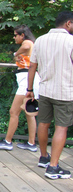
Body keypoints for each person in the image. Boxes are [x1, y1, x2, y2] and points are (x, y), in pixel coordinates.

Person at [26, 11, 73, 180]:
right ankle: (53, 167)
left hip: (45, 90)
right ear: (68, 23)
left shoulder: (41, 40)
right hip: (66, 91)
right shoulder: (71, 41)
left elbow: (32, 66)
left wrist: (29, 88)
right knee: (61, 127)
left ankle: (44, 157)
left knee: (43, 123)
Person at [0, 25, 40, 151]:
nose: (14, 38)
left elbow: (26, 46)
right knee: (29, 114)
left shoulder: (27, 42)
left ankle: (7, 141)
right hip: (32, 80)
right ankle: (31, 143)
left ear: (22, 35)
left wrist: (16, 53)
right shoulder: (33, 43)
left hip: (26, 81)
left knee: (14, 112)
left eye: (15, 35)